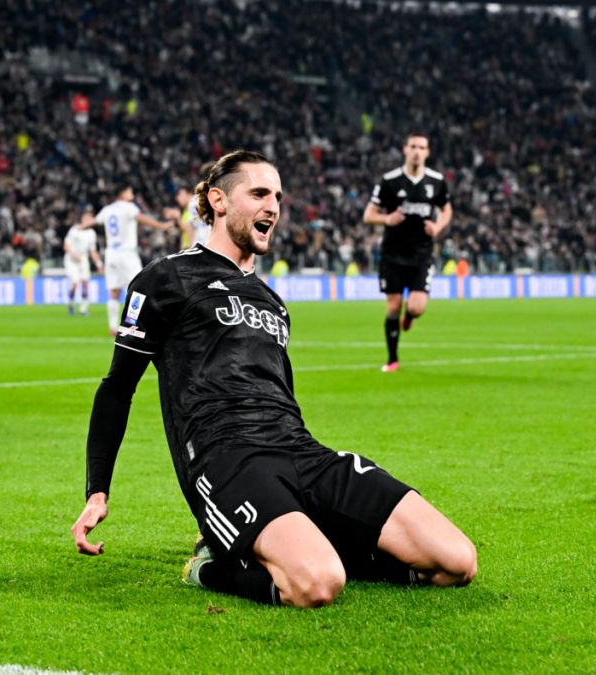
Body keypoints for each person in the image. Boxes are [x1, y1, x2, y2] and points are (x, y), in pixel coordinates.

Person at [71, 151, 476, 608]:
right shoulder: (165, 279)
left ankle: (307, 538)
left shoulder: (271, 301)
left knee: (457, 562)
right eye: (259, 193)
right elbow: (116, 389)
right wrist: (97, 492)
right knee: (316, 585)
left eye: (278, 197)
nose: (274, 207)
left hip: (300, 450)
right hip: (228, 462)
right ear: (218, 201)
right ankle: (209, 566)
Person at [363, 133, 453, 372]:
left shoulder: (436, 181)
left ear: (427, 152)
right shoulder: (389, 181)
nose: (417, 151)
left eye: (421, 147)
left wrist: (438, 226)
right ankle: (392, 359)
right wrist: (387, 219)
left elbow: (447, 210)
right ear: (405, 149)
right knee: (393, 305)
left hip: (421, 253)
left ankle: (410, 317)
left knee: (416, 307)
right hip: (393, 253)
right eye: (413, 146)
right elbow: (368, 215)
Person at [94, 183, 173, 336]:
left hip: (111, 254)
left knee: (114, 291)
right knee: (139, 288)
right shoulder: (128, 207)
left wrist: (80, 226)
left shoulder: (107, 209)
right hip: (127, 254)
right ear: (122, 194)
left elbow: (94, 221)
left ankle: (112, 327)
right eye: (130, 191)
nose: (132, 194)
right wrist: (161, 226)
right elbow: (140, 217)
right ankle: (131, 323)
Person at [63, 208, 102, 316]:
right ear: (82, 219)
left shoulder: (91, 233)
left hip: (83, 259)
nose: (88, 220)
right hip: (71, 259)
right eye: (86, 218)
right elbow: (66, 245)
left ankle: (83, 309)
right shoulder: (74, 230)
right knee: (75, 282)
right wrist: (73, 254)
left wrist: (99, 264)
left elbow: (92, 251)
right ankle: (71, 303)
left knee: (85, 283)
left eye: (90, 218)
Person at [175, 184, 211, 249]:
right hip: (206, 239)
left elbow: (190, 228)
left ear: (187, 193)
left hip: (205, 240)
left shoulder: (193, 202)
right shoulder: (194, 202)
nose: (178, 198)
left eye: (180, 194)